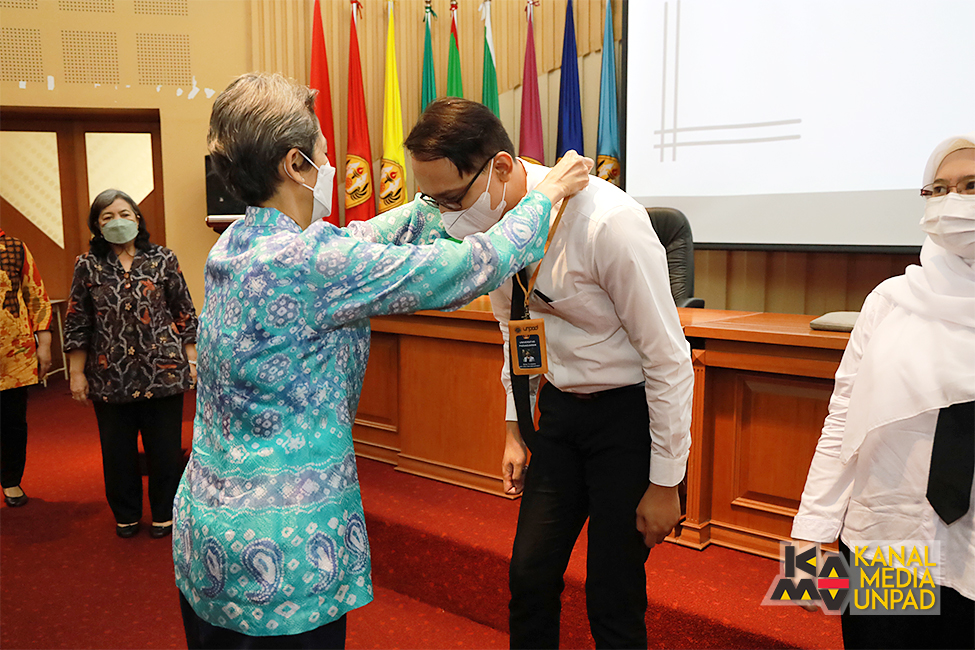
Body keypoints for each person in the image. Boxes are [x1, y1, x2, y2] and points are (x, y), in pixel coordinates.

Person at [173, 72, 592, 649]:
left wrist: (426, 207)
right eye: (323, 151)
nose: (330, 162)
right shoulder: (310, 263)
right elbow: (469, 266)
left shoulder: (237, 243)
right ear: (295, 164)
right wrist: (547, 195)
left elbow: (355, 243)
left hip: (208, 532)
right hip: (281, 556)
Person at [405, 98, 694, 649]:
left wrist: (666, 482)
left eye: (452, 199)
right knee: (530, 577)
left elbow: (668, 359)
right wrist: (515, 428)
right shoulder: (496, 233)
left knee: (612, 594)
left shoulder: (607, 224)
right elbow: (515, 332)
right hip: (559, 414)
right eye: (432, 201)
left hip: (625, 419)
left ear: (501, 167)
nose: (444, 217)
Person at [791, 133, 975, 649]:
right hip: (889, 539)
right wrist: (809, 536)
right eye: (939, 189)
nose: (953, 202)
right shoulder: (890, 301)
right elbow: (843, 420)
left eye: (971, 186)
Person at [64, 189, 198, 539]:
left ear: (137, 219)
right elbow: (78, 321)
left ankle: (165, 513)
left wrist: (192, 360)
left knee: (165, 451)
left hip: (162, 372)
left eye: (124, 214)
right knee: (117, 452)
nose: (117, 221)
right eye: (107, 217)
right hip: (109, 375)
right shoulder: (87, 265)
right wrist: (76, 373)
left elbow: (184, 312)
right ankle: (126, 514)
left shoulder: (163, 259)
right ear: (96, 225)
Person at [0, 230, 52, 508]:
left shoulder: (14, 248)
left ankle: (10, 479)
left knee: (12, 421)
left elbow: (36, 297)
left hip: (13, 355)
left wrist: (45, 344)